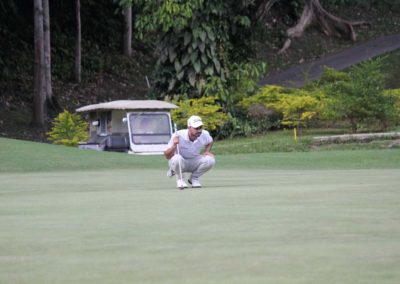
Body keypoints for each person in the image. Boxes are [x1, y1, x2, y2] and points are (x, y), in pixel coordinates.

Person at [164, 115, 215, 189]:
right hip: (180, 161)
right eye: (196, 128)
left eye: (200, 127)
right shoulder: (178, 135)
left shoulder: (204, 134)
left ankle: (194, 178)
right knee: (177, 158)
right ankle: (180, 179)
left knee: (210, 160)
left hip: (194, 161)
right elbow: (167, 156)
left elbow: (210, 141)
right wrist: (174, 145)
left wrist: (206, 151)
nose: (199, 130)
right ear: (189, 127)